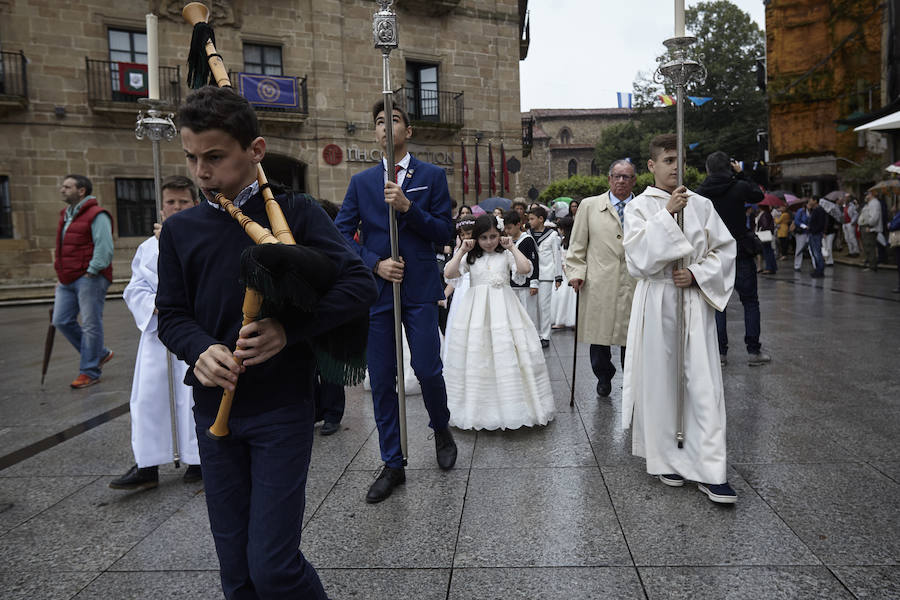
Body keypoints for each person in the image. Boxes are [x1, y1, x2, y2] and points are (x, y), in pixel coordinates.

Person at [156, 86, 377, 598]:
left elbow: (358, 284)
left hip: (282, 407)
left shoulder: (295, 213)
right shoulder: (181, 230)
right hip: (214, 411)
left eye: (215, 157)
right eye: (191, 157)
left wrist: (288, 330)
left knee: (274, 565)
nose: (201, 172)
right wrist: (198, 348)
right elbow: (170, 314)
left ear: (254, 151)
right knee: (237, 573)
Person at [335, 100, 458, 504]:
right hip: (379, 294)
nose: (386, 127)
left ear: (409, 130)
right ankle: (392, 461)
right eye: (379, 122)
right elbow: (339, 237)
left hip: (421, 287)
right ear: (375, 132)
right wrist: (374, 263)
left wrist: (408, 208)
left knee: (426, 368)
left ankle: (440, 426)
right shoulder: (361, 182)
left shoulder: (433, 177)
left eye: (394, 120)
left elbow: (444, 231)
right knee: (382, 378)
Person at [622, 133, 737, 505]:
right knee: (661, 382)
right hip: (657, 300)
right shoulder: (640, 207)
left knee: (703, 383)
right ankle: (667, 457)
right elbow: (637, 259)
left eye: (679, 160)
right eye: (668, 160)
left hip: (692, 300)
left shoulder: (702, 204)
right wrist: (668, 214)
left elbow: (725, 250)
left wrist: (699, 274)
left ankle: (710, 469)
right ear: (652, 166)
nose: (675, 167)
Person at [110, 175, 201, 491]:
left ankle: (197, 458)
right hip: (157, 333)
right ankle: (147, 463)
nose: (176, 208)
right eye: (170, 203)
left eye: (183, 202)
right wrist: (155, 304)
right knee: (149, 397)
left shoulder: (202, 239)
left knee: (192, 395)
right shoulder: (148, 248)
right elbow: (135, 288)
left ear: (195, 204)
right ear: (161, 208)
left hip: (192, 329)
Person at [443, 215, 555, 430]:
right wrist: (462, 250)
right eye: (483, 237)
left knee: (508, 353)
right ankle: (478, 410)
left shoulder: (505, 255)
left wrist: (512, 247)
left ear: (500, 235)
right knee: (478, 354)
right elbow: (449, 273)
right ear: (476, 238)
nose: (489, 241)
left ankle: (515, 408)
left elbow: (524, 269)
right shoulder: (471, 258)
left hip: (504, 308)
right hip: (475, 312)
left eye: (493, 236)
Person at [566, 159, 637, 397]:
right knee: (600, 335)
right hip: (599, 281)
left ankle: (632, 379)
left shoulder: (642, 207)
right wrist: (576, 273)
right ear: (609, 179)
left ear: (633, 180)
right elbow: (576, 246)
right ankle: (603, 376)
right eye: (617, 176)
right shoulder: (589, 206)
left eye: (626, 177)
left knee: (632, 334)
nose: (621, 181)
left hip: (633, 281)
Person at [696, 151, 770, 367]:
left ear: (708, 169)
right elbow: (758, 194)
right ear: (729, 167)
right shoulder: (739, 186)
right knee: (750, 301)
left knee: (718, 304)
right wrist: (742, 174)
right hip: (739, 250)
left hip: (714, 253)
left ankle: (720, 353)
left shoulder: (700, 193)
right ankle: (754, 351)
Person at [53, 174, 115, 389]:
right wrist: (61, 274)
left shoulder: (97, 215)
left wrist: (92, 270)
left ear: (81, 191)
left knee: (90, 325)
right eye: (62, 186)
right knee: (61, 320)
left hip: (90, 277)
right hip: (67, 278)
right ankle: (100, 353)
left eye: (67, 186)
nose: (62, 190)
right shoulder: (65, 214)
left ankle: (89, 371)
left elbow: (105, 247)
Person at [528, 205, 563, 348]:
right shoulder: (528, 234)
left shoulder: (552, 235)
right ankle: (535, 334)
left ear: (541, 219)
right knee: (533, 307)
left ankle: (545, 336)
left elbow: (557, 255)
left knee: (544, 306)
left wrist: (558, 277)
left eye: (532, 219)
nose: (529, 221)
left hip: (546, 275)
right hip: (531, 275)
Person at [503, 210, 539, 325]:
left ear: (518, 225)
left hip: (526, 285)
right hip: (511, 284)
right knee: (514, 314)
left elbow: (534, 262)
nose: (507, 231)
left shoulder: (527, 240)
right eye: (506, 228)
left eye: (509, 228)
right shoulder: (506, 242)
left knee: (528, 313)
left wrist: (534, 283)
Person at [550, 216, 577, 329]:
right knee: (561, 296)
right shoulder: (563, 240)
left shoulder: (572, 241)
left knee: (568, 297)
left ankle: (570, 320)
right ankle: (561, 319)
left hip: (570, 271)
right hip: (563, 270)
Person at [858, 192, 883, 271]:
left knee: (870, 246)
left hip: (869, 228)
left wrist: (870, 226)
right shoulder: (869, 203)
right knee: (867, 246)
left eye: (867, 194)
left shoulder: (875, 203)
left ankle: (872, 266)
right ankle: (870, 264)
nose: (866, 196)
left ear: (871, 194)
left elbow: (874, 217)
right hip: (866, 227)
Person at [806, 197, 827, 278]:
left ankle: (820, 270)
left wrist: (814, 230)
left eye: (811, 200)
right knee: (814, 252)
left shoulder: (819, 210)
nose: (809, 201)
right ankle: (818, 269)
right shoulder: (814, 210)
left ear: (815, 201)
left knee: (817, 252)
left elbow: (820, 223)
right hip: (813, 233)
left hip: (816, 234)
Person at [757, 205, 777, 274]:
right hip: (769, 234)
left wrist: (761, 228)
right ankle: (773, 267)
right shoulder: (768, 214)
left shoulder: (764, 215)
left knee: (767, 251)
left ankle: (769, 268)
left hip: (765, 235)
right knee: (769, 251)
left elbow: (765, 225)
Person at [792, 202, 810, 271]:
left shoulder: (812, 211)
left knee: (811, 249)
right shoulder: (801, 211)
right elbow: (797, 221)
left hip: (809, 233)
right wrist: (804, 226)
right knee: (799, 248)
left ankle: (816, 265)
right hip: (801, 232)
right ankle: (797, 265)